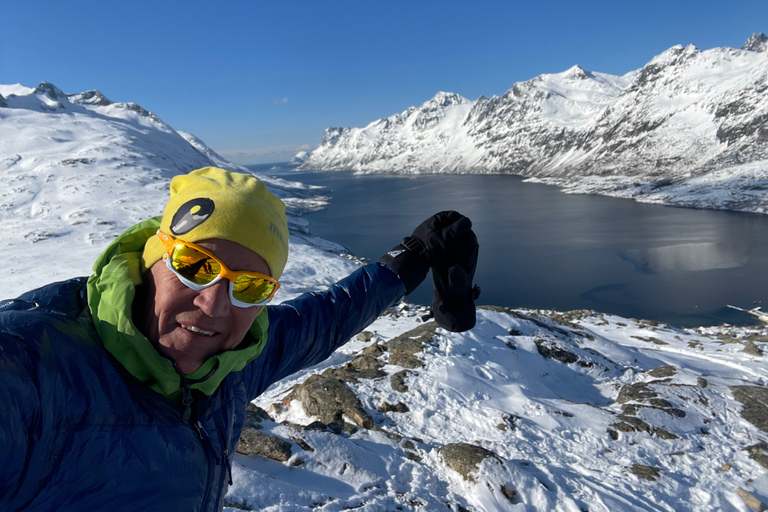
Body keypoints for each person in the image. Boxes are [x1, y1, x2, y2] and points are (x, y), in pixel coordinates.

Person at [0, 167, 479, 511]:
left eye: (250, 286)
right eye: (194, 266)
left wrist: (410, 258)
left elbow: (328, 317)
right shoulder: (32, 366)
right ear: (152, 258)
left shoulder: (230, 361)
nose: (214, 305)